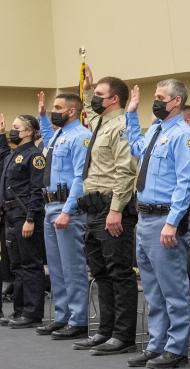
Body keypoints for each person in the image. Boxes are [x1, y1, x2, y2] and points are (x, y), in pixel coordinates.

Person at [122, 80, 190, 369]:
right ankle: (156, 345)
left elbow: (186, 183)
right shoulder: (155, 129)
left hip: (165, 220)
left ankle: (176, 348)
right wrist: (131, 114)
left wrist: (172, 222)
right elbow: (135, 147)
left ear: (176, 101)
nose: (155, 102)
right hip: (144, 218)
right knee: (152, 290)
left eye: (160, 98)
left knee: (173, 289)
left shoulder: (184, 136)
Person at [73, 65, 139, 356]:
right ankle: (106, 330)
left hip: (112, 206)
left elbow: (126, 171)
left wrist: (116, 210)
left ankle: (123, 336)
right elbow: (88, 109)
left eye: (100, 95)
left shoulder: (121, 124)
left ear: (114, 99)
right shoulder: (102, 121)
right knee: (100, 272)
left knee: (119, 272)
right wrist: (88, 89)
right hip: (94, 207)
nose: (94, 100)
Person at [34, 92, 91, 339]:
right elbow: (48, 141)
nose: (54, 110)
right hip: (50, 206)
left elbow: (81, 177)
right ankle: (62, 315)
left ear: (71, 111)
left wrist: (68, 210)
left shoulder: (81, 137)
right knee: (56, 267)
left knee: (72, 267)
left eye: (58, 107)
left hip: (67, 206)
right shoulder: (59, 134)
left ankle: (78, 319)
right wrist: (43, 115)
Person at [0, 114, 46, 329]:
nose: (13, 130)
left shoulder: (34, 156)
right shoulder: (13, 154)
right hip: (10, 215)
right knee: (16, 265)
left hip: (25, 215)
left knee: (30, 264)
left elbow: (37, 190)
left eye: (16, 127)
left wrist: (30, 218)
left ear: (28, 131)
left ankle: (32, 312)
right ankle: (19, 310)